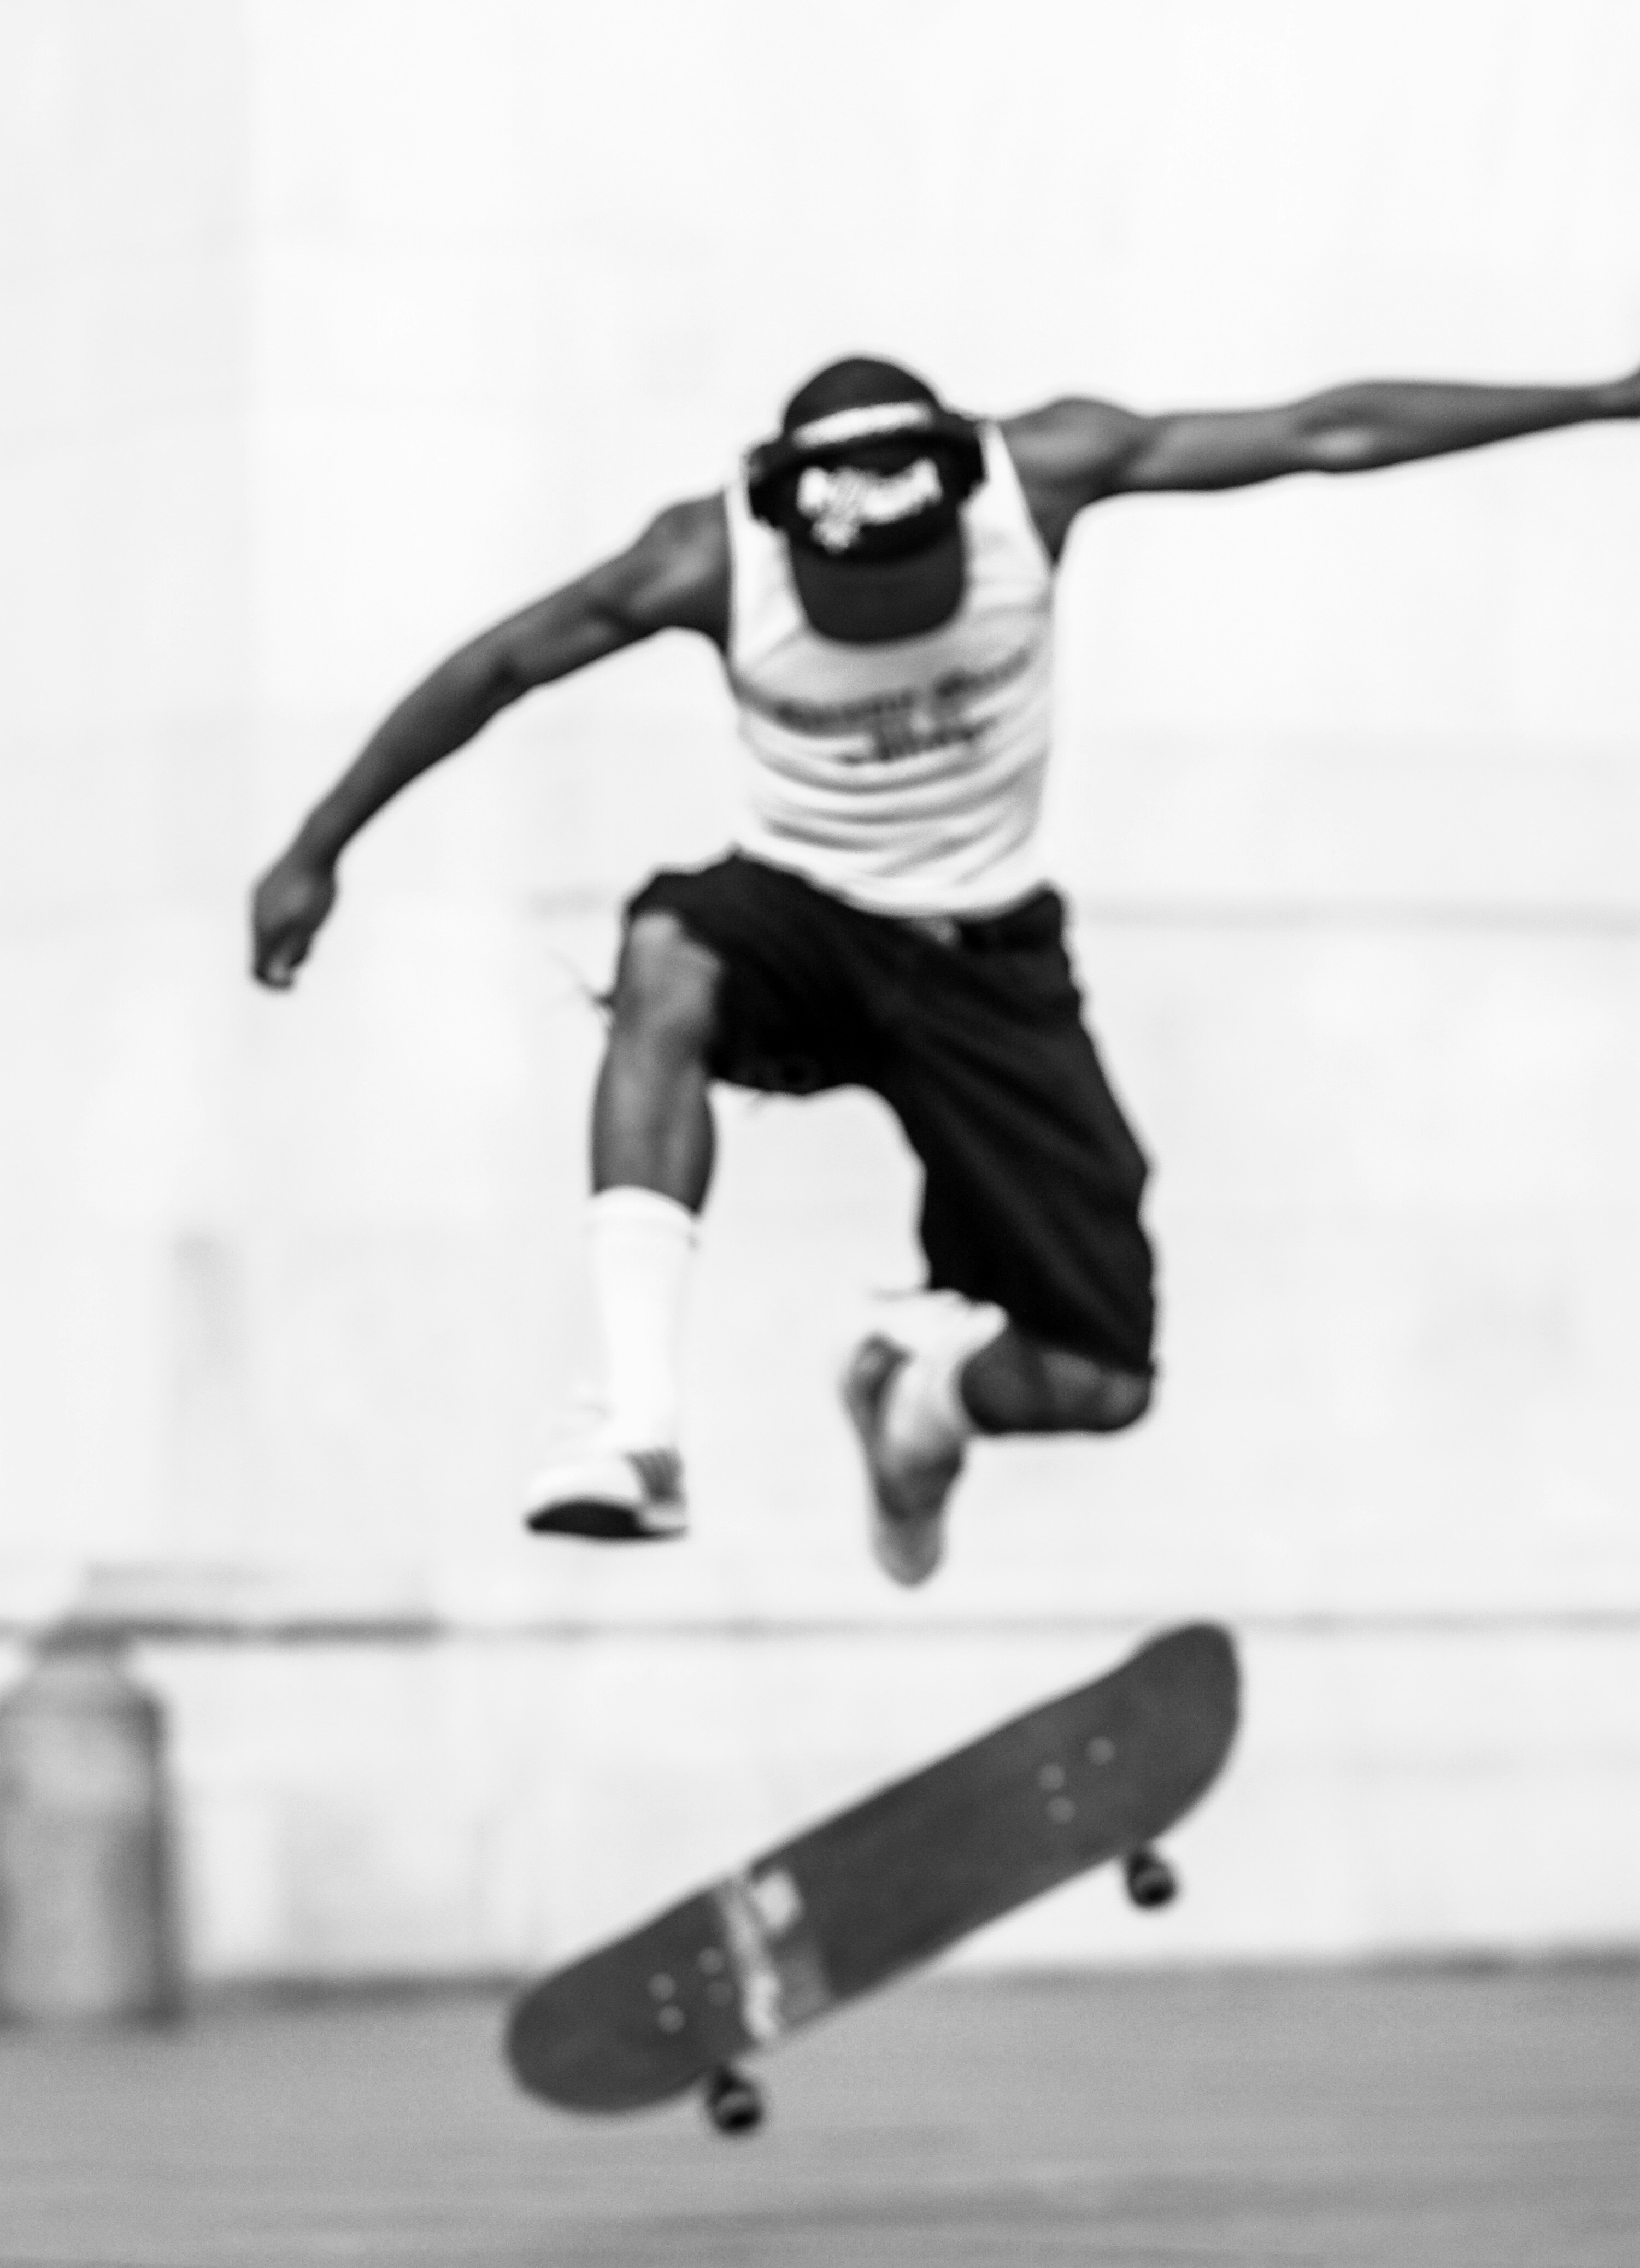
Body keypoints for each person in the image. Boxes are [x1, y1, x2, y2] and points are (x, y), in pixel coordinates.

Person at [250, 350, 1639, 1579]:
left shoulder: (1040, 479)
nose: (895, 622)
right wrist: (319, 846)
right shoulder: (699, 560)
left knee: (1101, 1378)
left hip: (990, 957)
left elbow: (1329, 428)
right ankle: (630, 1421)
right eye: (859, 603)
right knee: (665, 949)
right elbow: (493, 671)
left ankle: (917, 1404)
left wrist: (1596, 398)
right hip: (806, 922)